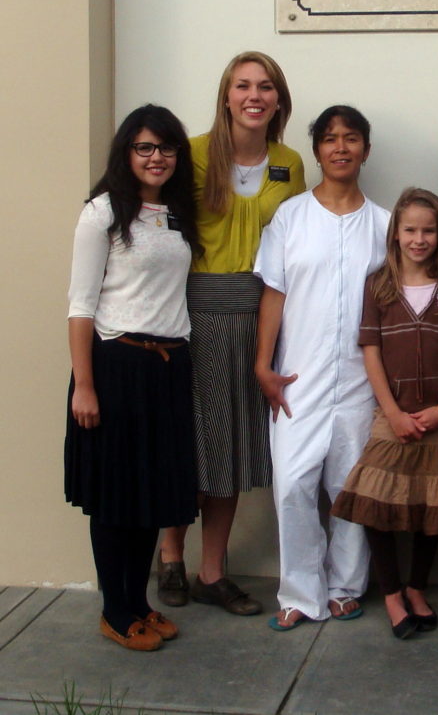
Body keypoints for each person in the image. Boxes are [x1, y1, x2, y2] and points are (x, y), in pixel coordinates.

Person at [158, 52, 304, 616]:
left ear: (278, 99)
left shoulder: (290, 162)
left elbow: (294, 246)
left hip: (259, 312)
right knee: (189, 440)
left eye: (266, 86)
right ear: (225, 95)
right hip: (194, 311)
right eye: (242, 85)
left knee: (235, 446)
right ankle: (172, 555)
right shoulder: (192, 154)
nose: (254, 95)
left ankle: (212, 571)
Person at [65, 105, 201, 651]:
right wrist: (85, 385)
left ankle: (141, 604)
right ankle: (116, 610)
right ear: (127, 153)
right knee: (116, 496)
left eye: (165, 148)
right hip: (115, 366)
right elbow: (80, 305)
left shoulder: (175, 213)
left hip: (168, 368)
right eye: (144, 147)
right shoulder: (102, 213)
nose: (156, 158)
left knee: (154, 494)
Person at [253, 105, 389, 630]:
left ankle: (345, 586)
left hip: (360, 381)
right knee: (292, 486)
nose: (340, 147)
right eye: (329, 139)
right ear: (316, 152)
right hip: (297, 378)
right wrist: (263, 364)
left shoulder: (382, 225)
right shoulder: (291, 217)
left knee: (351, 488)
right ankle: (298, 593)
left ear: (366, 150)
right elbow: (273, 293)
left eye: (351, 138)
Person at [333, 189, 438, 639]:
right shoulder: (379, 285)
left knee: (430, 509)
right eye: (411, 229)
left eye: (428, 230)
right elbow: (371, 352)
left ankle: (417, 588)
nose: (419, 239)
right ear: (395, 232)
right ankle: (392, 594)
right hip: (393, 418)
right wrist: (392, 413)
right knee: (378, 506)